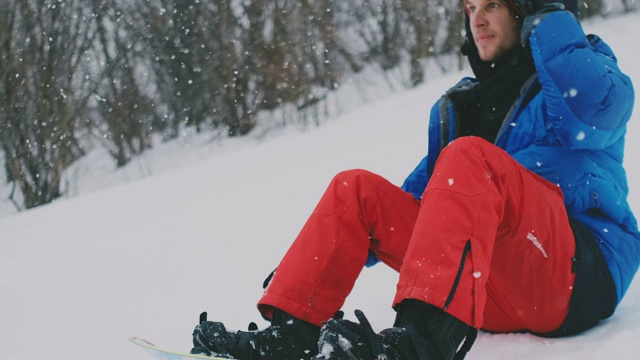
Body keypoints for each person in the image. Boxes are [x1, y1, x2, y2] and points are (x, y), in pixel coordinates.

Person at [190, 0, 638, 358]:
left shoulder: (585, 76)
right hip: (490, 290)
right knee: (357, 191)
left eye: (492, 7)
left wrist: (554, 19)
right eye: (469, 9)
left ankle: (421, 342)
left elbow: (593, 109)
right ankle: (290, 335)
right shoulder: (464, 106)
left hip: (575, 275)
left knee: (468, 157)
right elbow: (419, 208)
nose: (477, 20)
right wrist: (321, 258)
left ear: (528, 10)